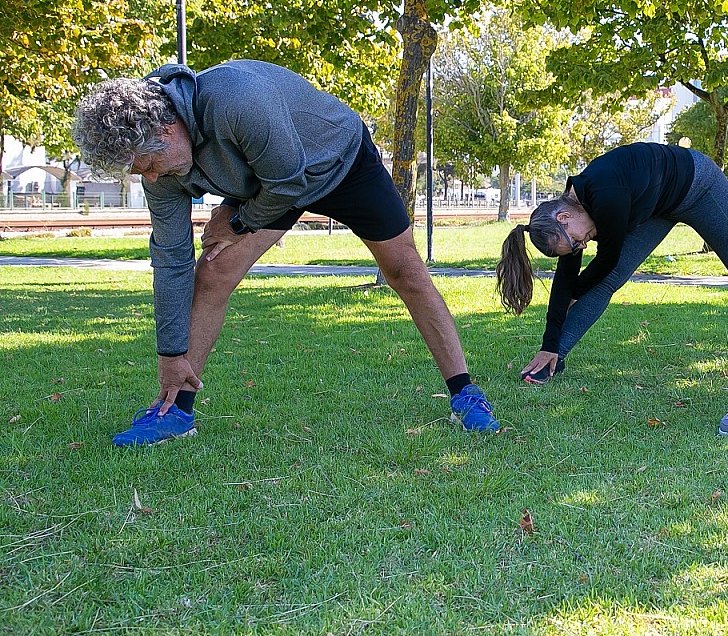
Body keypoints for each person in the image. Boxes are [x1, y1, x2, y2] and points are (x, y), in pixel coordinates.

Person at [72, 60, 501, 445]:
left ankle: (465, 392)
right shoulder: (161, 171)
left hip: (337, 161)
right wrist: (170, 354)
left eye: (147, 164)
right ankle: (176, 410)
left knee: (405, 270)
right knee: (214, 271)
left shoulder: (237, 101)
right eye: (138, 171)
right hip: (272, 180)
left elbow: (290, 183)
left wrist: (238, 221)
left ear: (166, 130)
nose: (150, 176)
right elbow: (170, 259)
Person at [495, 142, 728, 427]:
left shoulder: (605, 197)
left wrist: (574, 293)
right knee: (605, 283)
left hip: (699, 185)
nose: (582, 247)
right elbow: (567, 279)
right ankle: (557, 357)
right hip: (658, 206)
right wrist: (550, 342)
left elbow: (604, 263)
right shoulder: (574, 214)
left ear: (563, 218)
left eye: (578, 242)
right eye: (577, 248)